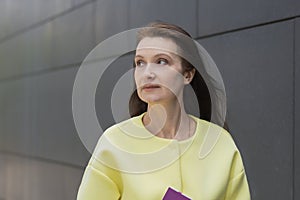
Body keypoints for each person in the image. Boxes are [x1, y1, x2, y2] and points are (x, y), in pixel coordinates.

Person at [77, 21, 251, 200]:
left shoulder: (221, 143)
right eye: (140, 63)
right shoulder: (114, 143)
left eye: (161, 61)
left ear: (187, 75)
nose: (147, 73)